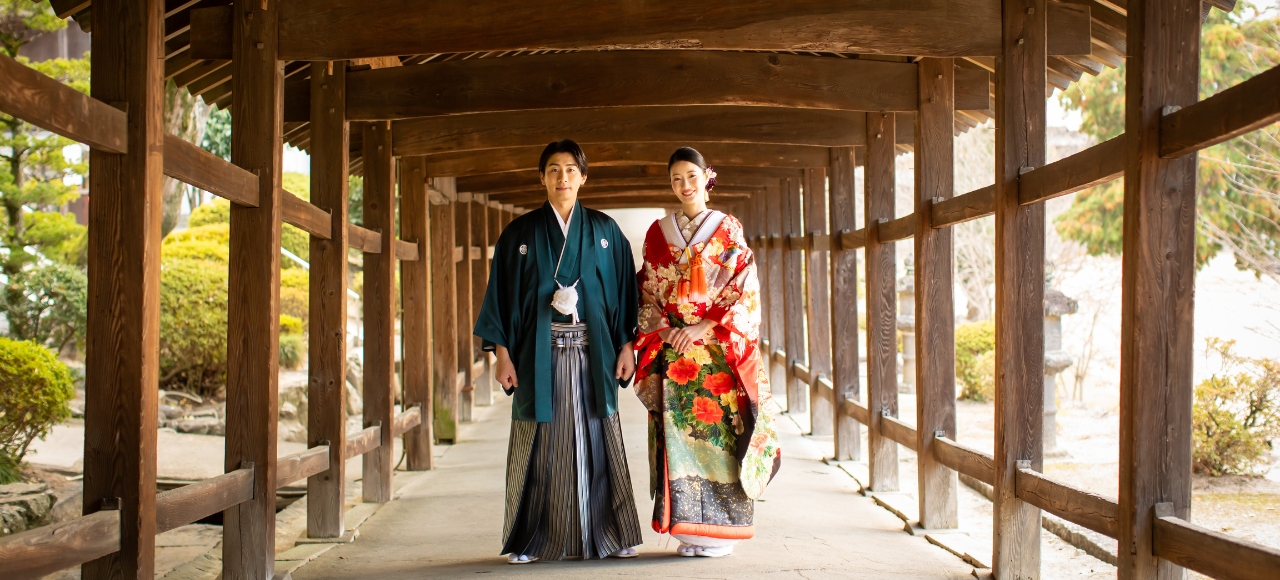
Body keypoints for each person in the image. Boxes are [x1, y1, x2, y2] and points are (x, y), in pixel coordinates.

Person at [474, 139, 644, 564]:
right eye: (553, 170)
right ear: (542, 178)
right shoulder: (519, 234)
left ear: (583, 177)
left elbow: (624, 293)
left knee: (598, 435)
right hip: (537, 354)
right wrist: (501, 354)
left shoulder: (606, 232)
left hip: (595, 351)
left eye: (570, 170)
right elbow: (501, 296)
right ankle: (530, 538)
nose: (562, 178)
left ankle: (610, 533)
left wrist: (627, 345)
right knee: (539, 442)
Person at [633, 147, 782, 558]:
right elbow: (647, 288)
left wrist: (704, 325)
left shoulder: (728, 228)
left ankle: (721, 533)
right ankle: (688, 532)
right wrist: (664, 331)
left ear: (707, 177)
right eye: (676, 178)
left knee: (718, 439)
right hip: (675, 355)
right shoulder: (657, 232)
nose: (684, 185)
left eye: (691, 176)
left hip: (716, 353)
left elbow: (743, 284)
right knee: (680, 440)